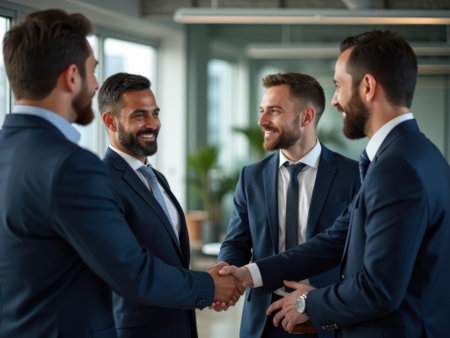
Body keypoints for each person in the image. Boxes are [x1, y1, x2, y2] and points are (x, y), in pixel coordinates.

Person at [0, 9, 242, 337]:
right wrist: (209, 286)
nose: (96, 83)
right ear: (72, 76)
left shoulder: (10, 151)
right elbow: (131, 271)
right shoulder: (71, 165)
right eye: (92, 70)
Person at [220, 30, 450, 338]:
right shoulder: (418, 154)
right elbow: (336, 239)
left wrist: (306, 303)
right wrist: (249, 274)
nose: (336, 100)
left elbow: (378, 288)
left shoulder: (397, 168)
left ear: (367, 87)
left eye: (339, 86)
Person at [216, 72, 360, 338]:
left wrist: (323, 302)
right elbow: (236, 242)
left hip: (324, 320)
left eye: (274, 111)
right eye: (262, 111)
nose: (261, 121)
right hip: (263, 321)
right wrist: (226, 275)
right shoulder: (251, 176)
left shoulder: (353, 175)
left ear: (306, 116)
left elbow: (356, 255)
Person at [98, 72, 201, 337]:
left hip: (178, 324)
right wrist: (207, 285)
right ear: (110, 121)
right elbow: (128, 271)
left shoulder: (156, 178)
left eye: (155, 113)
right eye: (139, 115)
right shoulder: (102, 182)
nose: (153, 124)